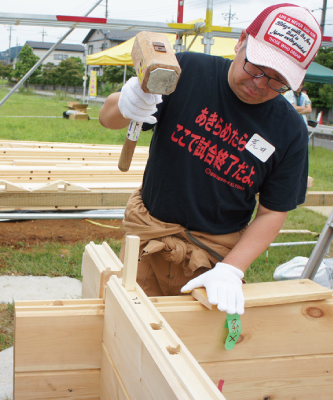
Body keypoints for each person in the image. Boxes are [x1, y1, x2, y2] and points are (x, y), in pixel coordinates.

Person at [99, 4, 321, 315]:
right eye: (256, 67)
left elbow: (273, 211)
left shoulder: (289, 130)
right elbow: (108, 119)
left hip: (213, 258)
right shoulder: (186, 71)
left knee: (196, 352)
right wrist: (126, 101)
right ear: (241, 41)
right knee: (127, 329)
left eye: (277, 80)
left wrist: (232, 269)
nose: (260, 83)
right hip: (148, 240)